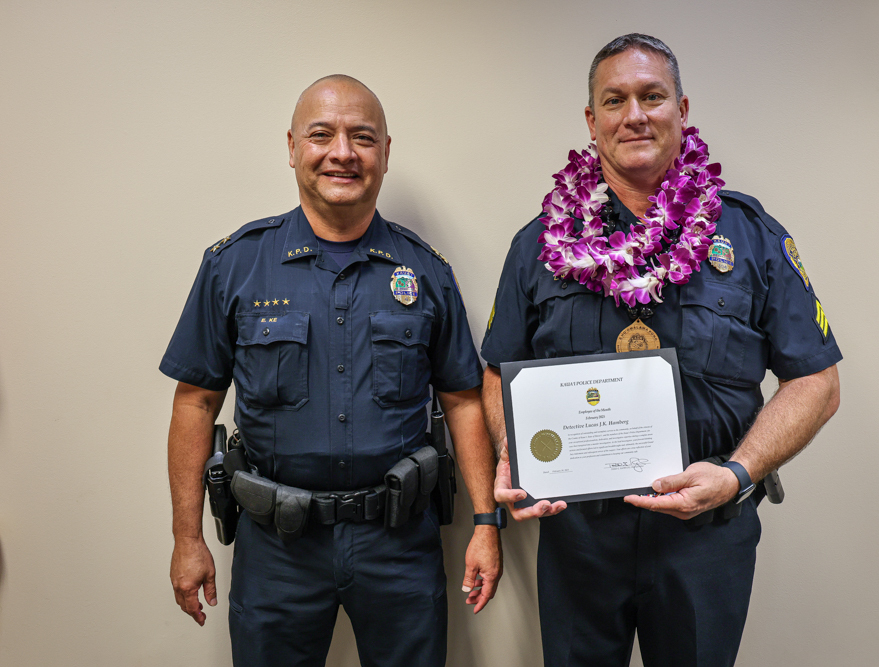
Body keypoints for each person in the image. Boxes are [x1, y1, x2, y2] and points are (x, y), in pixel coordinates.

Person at [481, 34, 841, 667]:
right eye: (614, 100)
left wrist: (737, 474)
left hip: (703, 532)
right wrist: (513, 452)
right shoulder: (538, 244)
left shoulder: (749, 235)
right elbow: (495, 368)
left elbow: (817, 380)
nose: (635, 114)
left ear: (681, 108)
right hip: (578, 534)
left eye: (652, 96)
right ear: (591, 122)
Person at [161, 75, 501, 667]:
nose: (342, 152)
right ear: (292, 147)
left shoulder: (425, 271)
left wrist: (485, 522)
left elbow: (463, 400)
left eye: (362, 137)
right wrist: (187, 539)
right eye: (322, 134)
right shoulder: (235, 266)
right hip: (277, 549)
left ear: (385, 153)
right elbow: (195, 403)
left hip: (399, 545)